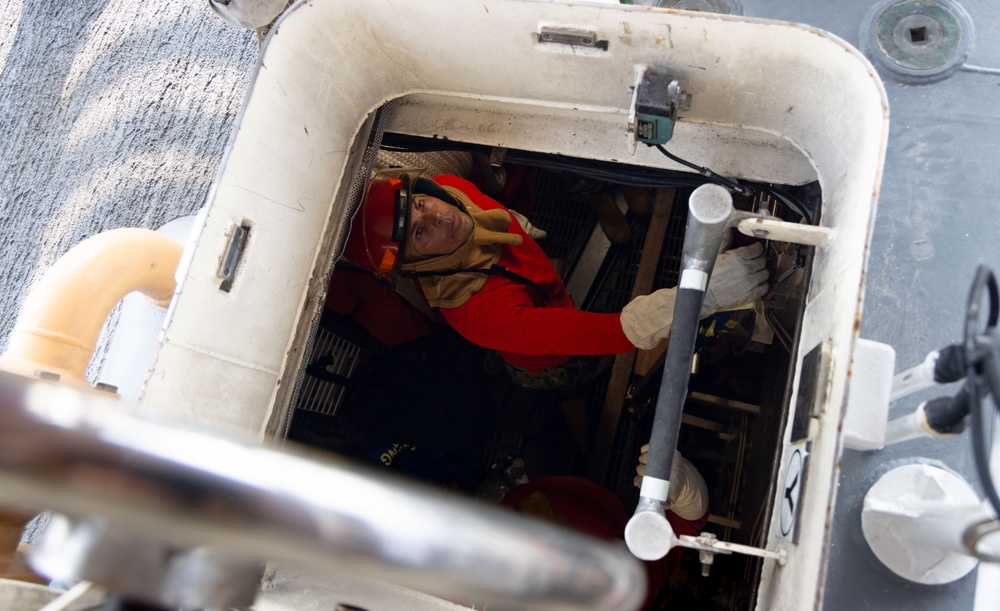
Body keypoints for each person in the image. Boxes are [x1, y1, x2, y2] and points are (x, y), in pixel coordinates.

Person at [342, 169, 769, 390]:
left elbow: (490, 215)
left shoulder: (452, 191)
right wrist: (704, 294)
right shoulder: (482, 315)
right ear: (414, 266)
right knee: (573, 375)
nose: (437, 216)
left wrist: (525, 233)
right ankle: (576, 395)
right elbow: (622, 331)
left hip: (543, 289)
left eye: (419, 203)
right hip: (542, 356)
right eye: (419, 232)